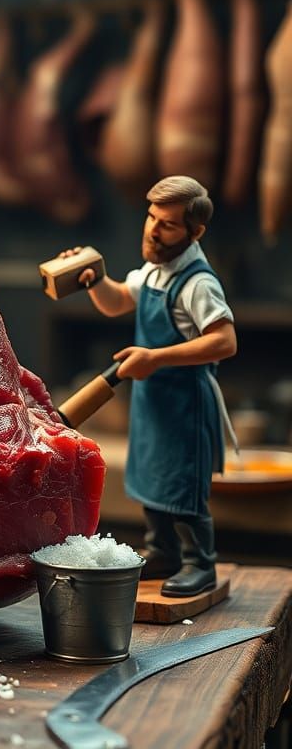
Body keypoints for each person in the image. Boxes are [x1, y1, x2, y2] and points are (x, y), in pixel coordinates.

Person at [57, 176, 237, 597]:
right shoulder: (156, 269)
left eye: (168, 225)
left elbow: (225, 340)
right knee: (151, 479)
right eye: (151, 218)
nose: (154, 230)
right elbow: (119, 300)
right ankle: (163, 553)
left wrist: (155, 357)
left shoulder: (197, 282)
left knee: (183, 485)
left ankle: (199, 563)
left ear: (195, 233)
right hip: (153, 402)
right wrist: (94, 282)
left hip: (185, 403)